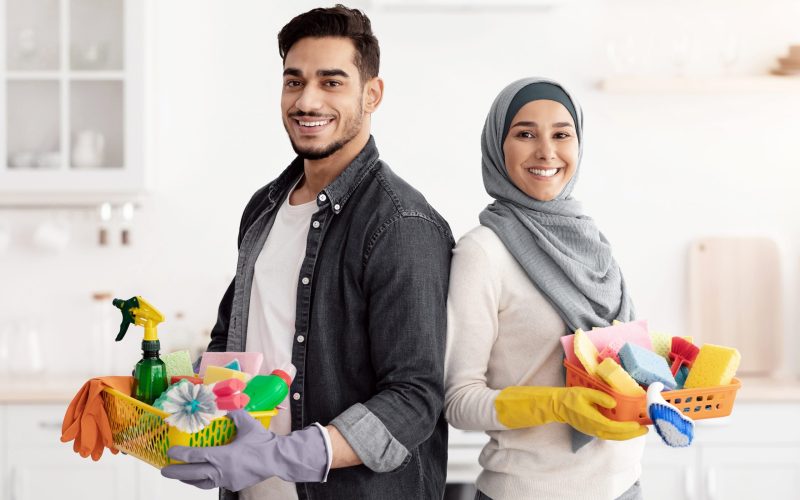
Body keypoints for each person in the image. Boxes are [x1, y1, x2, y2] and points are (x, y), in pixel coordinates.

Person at [161, 5, 453, 500]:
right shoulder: (264, 207)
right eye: (293, 82)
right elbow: (231, 343)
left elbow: (413, 399)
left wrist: (282, 455)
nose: (307, 100)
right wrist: (164, 395)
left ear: (372, 94)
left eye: (331, 82)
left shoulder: (400, 225)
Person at [444, 78, 649, 500]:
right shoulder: (482, 252)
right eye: (525, 134)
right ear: (498, 148)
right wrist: (557, 403)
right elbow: (459, 401)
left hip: (626, 487)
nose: (546, 151)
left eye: (561, 134)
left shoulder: (589, 240)